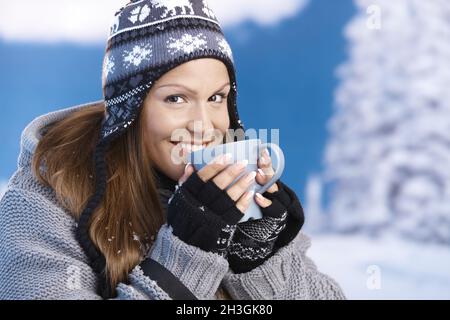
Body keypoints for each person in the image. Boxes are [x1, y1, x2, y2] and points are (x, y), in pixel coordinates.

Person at [0, 0, 345, 300]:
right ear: (130, 112)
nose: (204, 125)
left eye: (216, 98)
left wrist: (257, 258)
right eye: (176, 98)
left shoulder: (238, 193)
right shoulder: (40, 206)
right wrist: (188, 252)